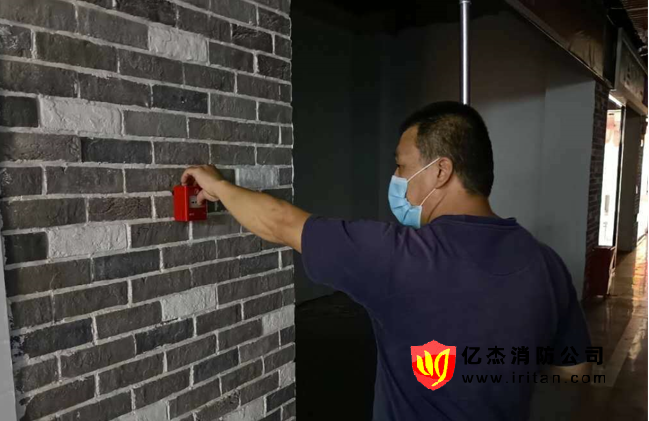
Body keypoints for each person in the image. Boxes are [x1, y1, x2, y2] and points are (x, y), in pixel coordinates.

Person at [181, 101, 592, 421]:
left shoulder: (401, 256)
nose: (396, 178)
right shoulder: (547, 263)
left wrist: (217, 186)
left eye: (401, 165)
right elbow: (575, 371)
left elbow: (282, 222)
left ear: (441, 171)